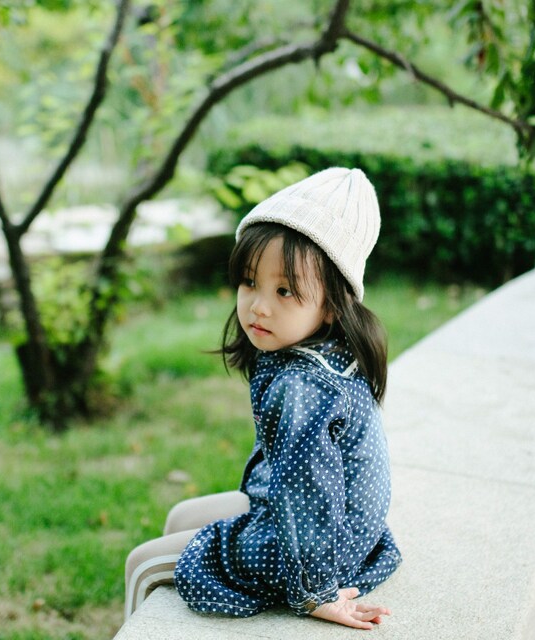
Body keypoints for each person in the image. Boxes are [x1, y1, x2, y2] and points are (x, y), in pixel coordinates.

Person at [124, 167, 402, 630]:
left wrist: (316, 592)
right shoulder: (328, 350)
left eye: (284, 290)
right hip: (337, 529)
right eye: (250, 281)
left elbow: (310, 495)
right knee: (180, 516)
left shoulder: (302, 390)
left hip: (313, 549)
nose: (258, 305)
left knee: (141, 564)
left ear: (331, 305)